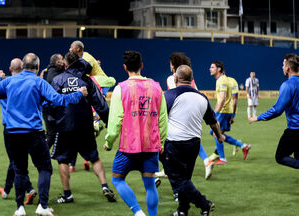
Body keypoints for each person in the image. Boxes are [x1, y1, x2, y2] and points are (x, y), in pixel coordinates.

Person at [0, 53, 88, 216]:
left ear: (22, 66)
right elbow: (58, 100)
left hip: (12, 133)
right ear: (37, 67)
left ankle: (19, 208)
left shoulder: (9, 81)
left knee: (20, 170)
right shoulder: (39, 82)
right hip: (33, 133)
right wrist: (78, 93)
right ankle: (42, 206)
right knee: (44, 168)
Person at [104, 51, 168, 216]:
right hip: (150, 145)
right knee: (150, 184)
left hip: (128, 147)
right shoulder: (156, 87)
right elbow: (163, 119)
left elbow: (115, 121)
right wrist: (161, 142)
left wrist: (109, 142)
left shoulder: (120, 89)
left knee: (117, 179)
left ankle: (138, 212)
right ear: (142, 65)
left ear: (125, 67)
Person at [49, 51, 116, 204]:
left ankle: (67, 194)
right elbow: (100, 104)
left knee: (63, 160)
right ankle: (105, 187)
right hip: (85, 125)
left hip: (65, 126)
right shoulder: (87, 80)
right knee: (94, 157)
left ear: (66, 64)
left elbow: (53, 103)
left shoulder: (58, 80)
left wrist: (53, 123)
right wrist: (107, 122)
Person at [164, 65, 225, 216]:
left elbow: (158, 119)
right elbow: (213, 122)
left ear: (176, 78)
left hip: (175, 143)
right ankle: (182, 210)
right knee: (185, 179)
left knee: (178, 180)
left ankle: (204, 204)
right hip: (194, 145)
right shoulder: (202, 97)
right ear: (192, 80)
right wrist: (219, 136)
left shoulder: (169, 95)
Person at [0, 59, 37, 204]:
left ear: (10, 68)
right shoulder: (25, 84)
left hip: (11, 128)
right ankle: (7, 190)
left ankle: (27, 189)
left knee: (15, 160)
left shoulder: (5, 85)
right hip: (27, 126)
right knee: (16, 160)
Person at [69, 40, 116, 171]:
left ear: (78, 49)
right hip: (95, 90)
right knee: (89, 131)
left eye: (72, 47)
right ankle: (97, 124)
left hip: (95, 87)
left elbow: (81, 75)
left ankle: (74, 163)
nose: (70, 48)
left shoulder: (86, 61)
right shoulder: (83, 58)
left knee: (78, 132)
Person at [249, 54, 299, 169]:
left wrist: (258, 117)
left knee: (280, 156)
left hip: (295, 131)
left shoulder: (287, 85)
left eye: (283, 65)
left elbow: (277, 110)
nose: (281, 67)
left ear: (288, 68)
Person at [209, 61, 251, 165]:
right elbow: (235, 100)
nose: (210, 69)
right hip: (228, 111)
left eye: (212, 67)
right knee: (215, 133)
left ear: (219, 69)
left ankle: (222, 158)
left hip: (223, 111)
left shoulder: (222, 81)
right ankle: (242, 146)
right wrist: (233, 114)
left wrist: (214, 114)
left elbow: (222, 99)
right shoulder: (230, 80)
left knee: (216, 133)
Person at [41, 54, 65, 149]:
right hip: (50, 109)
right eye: (62, 59)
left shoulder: (52, 71)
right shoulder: (54, 76)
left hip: (50, 108)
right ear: (58, 63)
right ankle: (41, 157)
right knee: (51, 134)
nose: (64, 61)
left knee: (54, 134)